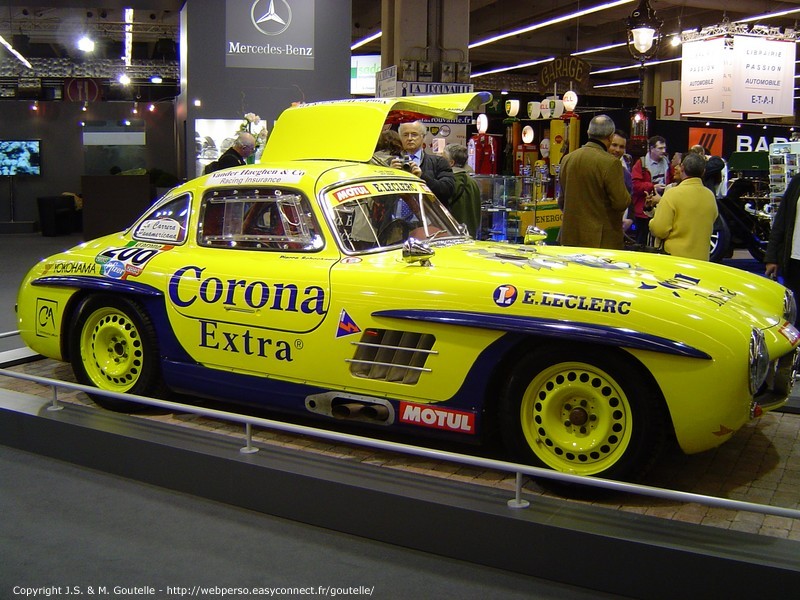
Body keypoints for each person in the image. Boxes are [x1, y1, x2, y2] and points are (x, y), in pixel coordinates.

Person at [557, 114, 631, 249]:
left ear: (588, 133)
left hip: (569, 237)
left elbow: (562, 201)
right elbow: (621, 203)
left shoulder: (567, 159)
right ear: (610, 137)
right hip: (600, 241)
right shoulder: (611, 163)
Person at [648, 152, 718, 260]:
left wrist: (652, 222)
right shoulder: (710, 196)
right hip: (702, 261)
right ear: (703, 172)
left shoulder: (672, 194)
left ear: (682, 168)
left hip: (675, 260)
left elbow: (659, 230)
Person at [765, 173, 800, 323]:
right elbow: (781, 221)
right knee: (794, 314)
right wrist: (772, 257)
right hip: (795, 260)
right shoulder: (797, 182)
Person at [392, 121, 455, 204]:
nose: (410, 138)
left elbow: (447, 190)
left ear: (423, 137)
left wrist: (422, 177)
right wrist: (389, 175)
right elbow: (380, 200)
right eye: (405, 135)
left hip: (427, 214)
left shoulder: (439, 162)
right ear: (400, 137)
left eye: (414, 134)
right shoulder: (391, 163)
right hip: (396, 214)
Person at [631, 135, 672, 245]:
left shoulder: (667, 163)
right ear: (651, 148)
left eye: (664, 148)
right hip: (643, 210)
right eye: (660, 148)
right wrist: (652, 186)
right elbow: (635, 185)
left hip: (661, 207)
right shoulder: (641, 164)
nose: (663, 151)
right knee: (642, 240)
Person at [443, 143, 481, 237]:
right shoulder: (473, 181)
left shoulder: (450, 182)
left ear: (451, 163)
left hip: (454, 236)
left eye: (442, 159)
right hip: (470, 234)